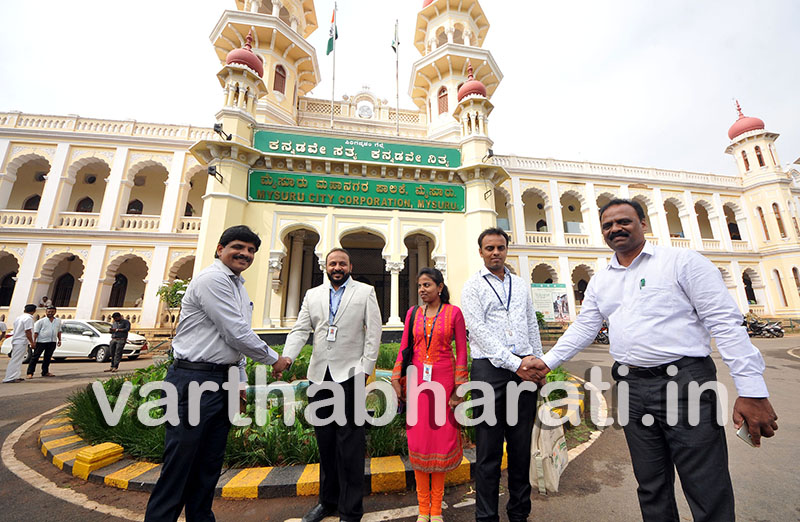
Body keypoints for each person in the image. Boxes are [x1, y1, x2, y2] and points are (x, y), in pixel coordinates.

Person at [526, 199, 779, 521]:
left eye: (624, 221)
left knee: (705, 485)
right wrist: (547, 362)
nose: (616, 228)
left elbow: (725, 323)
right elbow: (585, 327)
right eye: (608, 225)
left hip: (685, 385)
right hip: (632, 388)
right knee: (650, 484)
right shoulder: (603, 280)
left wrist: (752, 390)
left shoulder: (682, 262)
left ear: (643, 224)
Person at [144, 225, 291, 522]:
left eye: (251, 250)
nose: (245, 254)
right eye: (238, 247)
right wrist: (274, 359)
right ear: (219, 249)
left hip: (219, 381)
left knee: (208, 465)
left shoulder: (237, 285)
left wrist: (241, 384)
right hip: (193, 381)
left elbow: (232, 344)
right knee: (180, 465)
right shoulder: (213, 280)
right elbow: (236, 332)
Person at [281, 248, 382, 522]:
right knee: (325, 443)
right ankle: (327, 502)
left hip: (350, 376)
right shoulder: (313, 295)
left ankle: (351, 511)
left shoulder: (364, 292)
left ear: (350, 266)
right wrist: (288, 356)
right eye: (332, 263)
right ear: (325, 266)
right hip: (319, 376)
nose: (337, 267)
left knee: (350, 445)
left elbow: (374, 332)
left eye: (342, 263)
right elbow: (301, 329)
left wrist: (366, 369)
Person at [460, 227, 544, 522]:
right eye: (489, 248)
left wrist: (538, 362)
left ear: (506, 249)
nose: (495, 252)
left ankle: (519, 513)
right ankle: (486, 517)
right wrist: (514, 363)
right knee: (488, 450)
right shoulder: (472, 287)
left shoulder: (520, 285)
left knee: (521, 448)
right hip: (489, 372)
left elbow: (531, 323)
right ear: (480, 252)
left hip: (524, 368)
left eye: (500, 247)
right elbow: (479, 332)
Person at [391, 268, 468, 522]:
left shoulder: (454, 313)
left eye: (427, 285)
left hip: (444, 382)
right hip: (417, 384)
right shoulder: (413, 313)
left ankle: (436, 510)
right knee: (420, 441)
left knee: (441, 440)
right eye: (420, 286)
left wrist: (459, 387)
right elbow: (405, 347)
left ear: (440, 287)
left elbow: (462, 351)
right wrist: (396, 378)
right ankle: (423, 508)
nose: (422, 289)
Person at [3, 304, 36, 383]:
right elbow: (28, 331)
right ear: (34, 311)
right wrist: (32, 342)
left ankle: (15, 376)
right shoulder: (28, 319)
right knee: (16, 360)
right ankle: (9, 377)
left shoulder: (19, 318)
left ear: (24, 310)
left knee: (18, 359)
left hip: (17, 340)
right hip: (21, 341)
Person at [26, 305, 62, 378]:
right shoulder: (41, 321)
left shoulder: (58, 321)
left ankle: (45, 372)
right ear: (46, 312)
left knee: (47, 357)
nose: (50, 313)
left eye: (52, 312)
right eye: (49, 312)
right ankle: (30, 373)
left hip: (52, 342)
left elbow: (59, 331)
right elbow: (36, 333)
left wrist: (59, 340)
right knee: (35, 357)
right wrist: (33, 342)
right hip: (41, 342)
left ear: (55, 312)